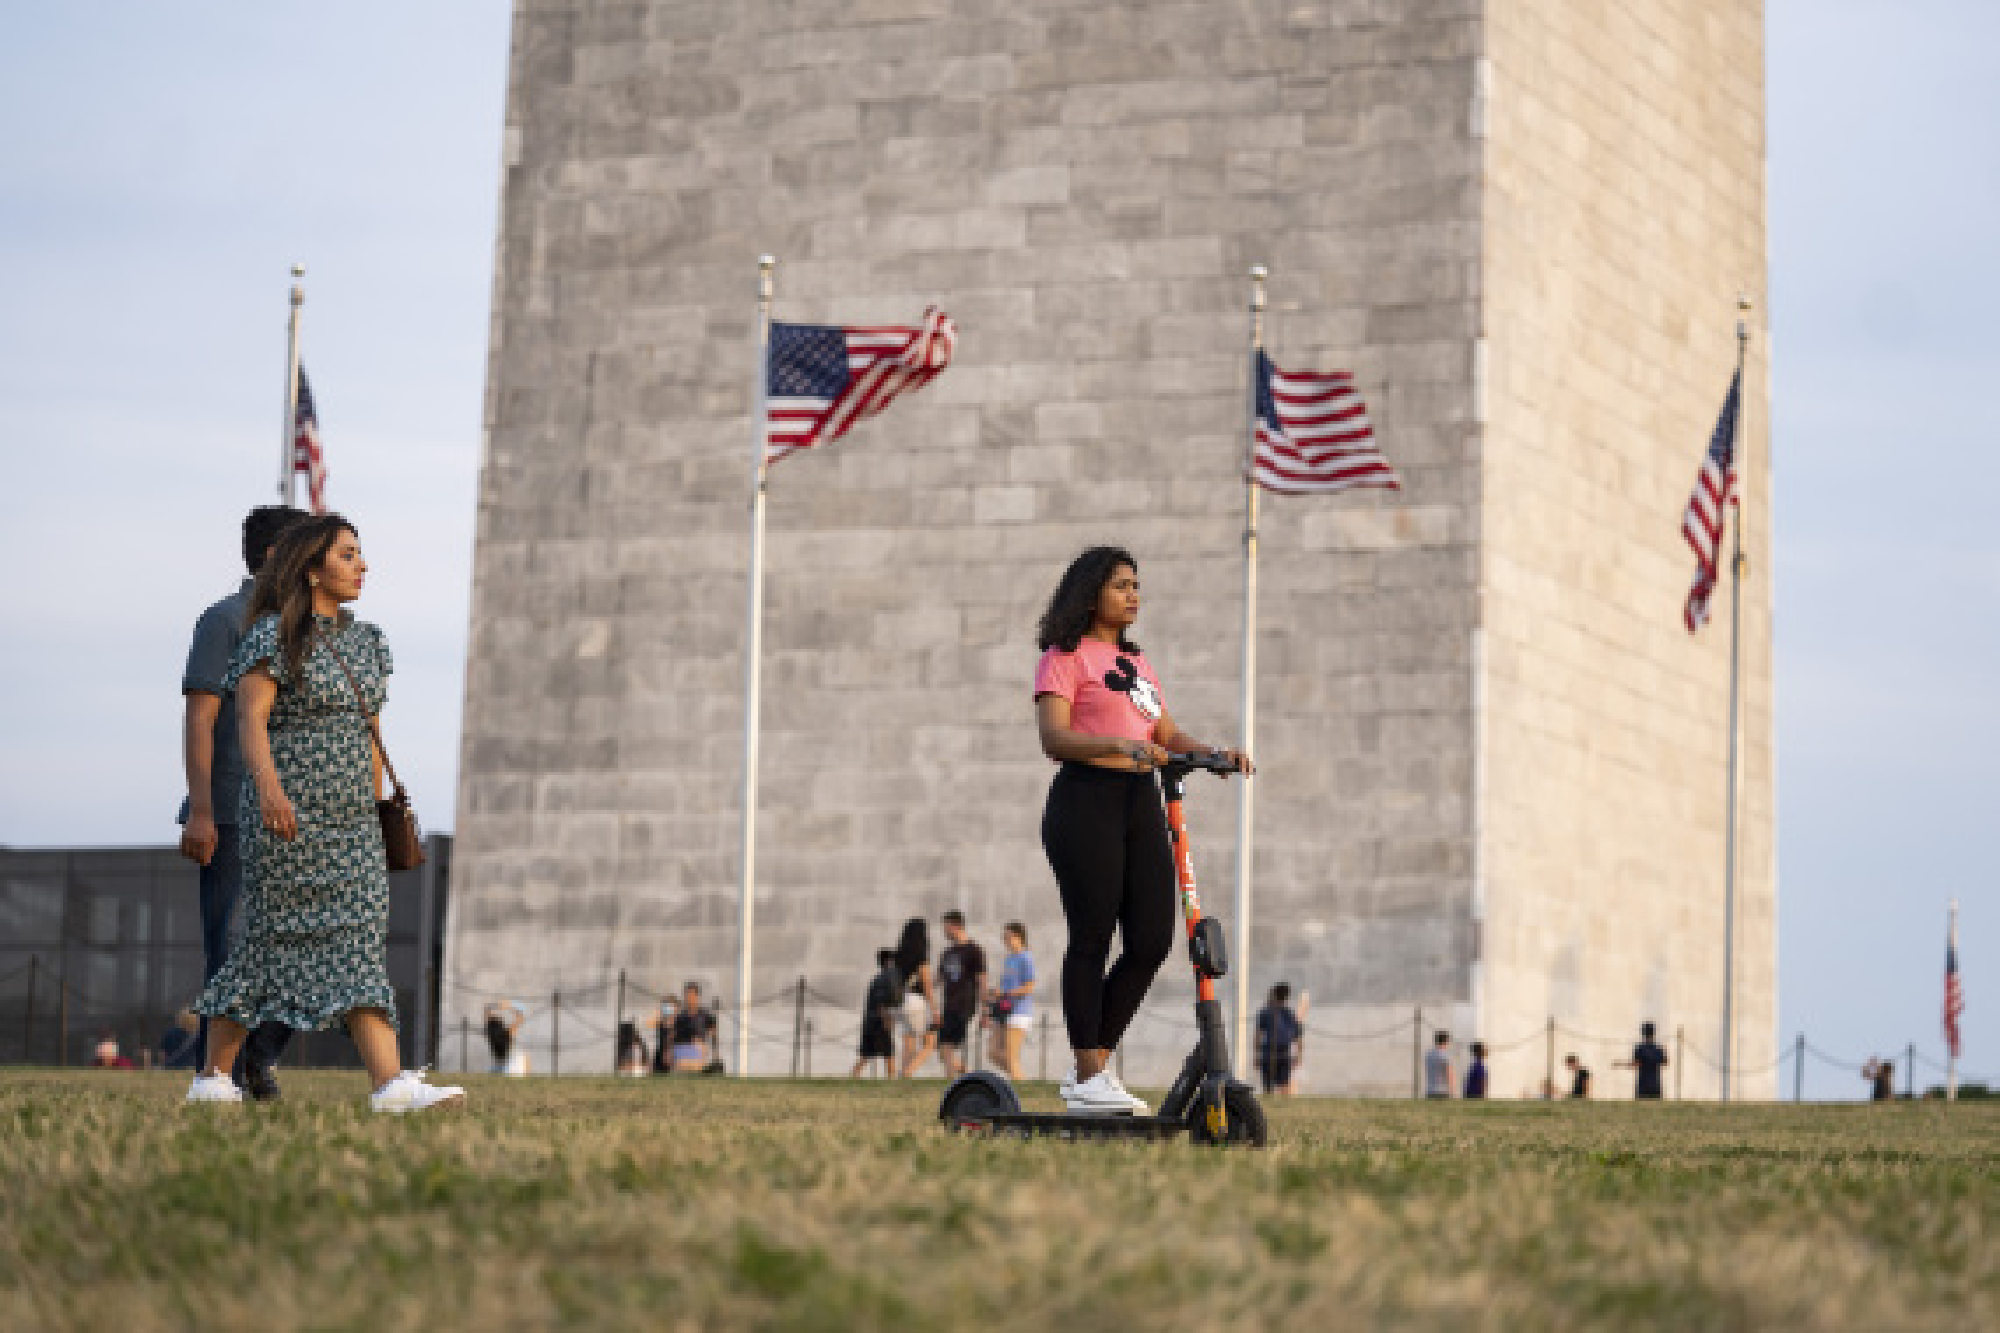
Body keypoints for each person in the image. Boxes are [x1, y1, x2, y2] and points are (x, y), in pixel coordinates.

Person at [186, 514, 464, 1113]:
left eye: (360, 555)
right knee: (263, 943)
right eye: (348, 554)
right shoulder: (269, 639)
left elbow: (370, 729)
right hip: (285, 820)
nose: (363, 565)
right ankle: (212, 1078)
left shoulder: (368, 643)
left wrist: (373, 805)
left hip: (352, 827)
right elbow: (250, 722)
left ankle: (390, 1087)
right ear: (313, 569)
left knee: (361, 943)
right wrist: (269, 791)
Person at [1033, 546, 1252, 1114]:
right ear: (1091, 593)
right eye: (1122, 585)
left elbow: (1166, 732)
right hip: (1085, 799)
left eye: (1137, 585)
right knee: (1092, 936)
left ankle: (1092, 1069)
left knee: (1153, 939)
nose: (1135, 595)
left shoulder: (1137, 663)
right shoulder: (1066, 656)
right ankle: (1089, 1072)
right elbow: (1054, 738)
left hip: (1139, 800)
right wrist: (1118, 745)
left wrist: (1212, 753)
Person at [178, 504, 308, 1098]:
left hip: (299, 820)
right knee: (231, 951)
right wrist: (202, 810)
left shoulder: (309, 629)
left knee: (312, 946)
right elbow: (201, 718)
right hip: (231, 812)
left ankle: (256, 1055)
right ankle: (216, 1080)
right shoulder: (223, 620)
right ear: (277, 555)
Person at [935, 910, 987, 1078]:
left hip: (964, 1004)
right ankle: (969, 1076)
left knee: (948, 1047)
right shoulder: (946, 953)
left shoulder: (974, 950)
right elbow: (939, 980)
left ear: (956, 926)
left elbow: (982, 980)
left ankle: (950, 1081)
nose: (944, 931)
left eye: (946, 926)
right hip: (948, 1004)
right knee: (943, 1051)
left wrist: (984, 1009)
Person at [985, 923, 1036, 1080]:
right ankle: (1020, 1079)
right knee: (993, 1053)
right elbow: (1006, 986)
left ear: (1017, 936)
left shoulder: (1026, 958)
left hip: (1019, 1012)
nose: (1004, 939)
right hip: (1003, 1009)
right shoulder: (1009, 959)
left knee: (1010, 1056)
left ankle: (1019, 1084)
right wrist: (994, 995)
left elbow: (1030, 986)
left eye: (1007, 936)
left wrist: (1006, 992)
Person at [893, 917, 940, 1078]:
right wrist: (934, 1009)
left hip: (902, 1000)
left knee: (909, 1045)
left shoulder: (898, 958)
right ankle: (906, 1072)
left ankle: (903, 1078)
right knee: (929, 1043)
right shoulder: (921, 956)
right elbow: (926, 983)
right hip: (917, 1001)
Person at [852, 949, 902, 1078]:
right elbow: (882, 1000)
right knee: (889, 1053)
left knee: (866, 1055)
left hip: (870, 1020)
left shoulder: (877, 979)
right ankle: (891, 1081)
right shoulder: (889, 976)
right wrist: (887, 1020)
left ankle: (853, 1077)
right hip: (880, 1021)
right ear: (889, 961)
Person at [1254, 984, 1302, 1095]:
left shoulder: (1266, 1012)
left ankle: (1271, 1106)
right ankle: (1284, 1106)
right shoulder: (1290, 1015)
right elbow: (1298, 1038)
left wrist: (1256, 1055)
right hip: (1283, 1053)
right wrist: (1298, 1056)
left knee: (1268, 1086)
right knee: (1284, 1085)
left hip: (1269, 1053)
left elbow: (1258, 1035)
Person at [1614, 1021, 1670, 1099]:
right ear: (1654, 1033)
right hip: (1656, 1085)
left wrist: (1621, 1064)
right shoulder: (1659, 1049)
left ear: (1643, 1033)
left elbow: (1635, 1064)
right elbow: (1665, 1062)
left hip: (1643, 1085)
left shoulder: (1640, 1048)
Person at [669, 982, 716, 1072]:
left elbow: (713, 1033)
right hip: (681, 1051)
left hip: (698, 1051)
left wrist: (709, 1048)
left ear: (697, 996)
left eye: (691, 995)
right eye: (686, 995)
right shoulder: (680, 1016)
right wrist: (669, 1050)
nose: (688, 998)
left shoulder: (705, 1014)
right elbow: (673, 1035)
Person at [486, 1000, 528, 1076]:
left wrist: (493, 1008)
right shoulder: (509, 1033)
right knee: (523, 1056)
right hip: (512, 1068)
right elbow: (521, 1014)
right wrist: (510, 1005)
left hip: (501, 1068)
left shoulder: (491, 1034)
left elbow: (488, 1014)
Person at [1424, 1030, 1454, 1099]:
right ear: (1446, 1042)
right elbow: (1449, 1074)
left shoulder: (1428, 1054)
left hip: (1430, 1091)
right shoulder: (1445, 1055)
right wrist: (1452, 1091)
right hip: (1443, 1091)